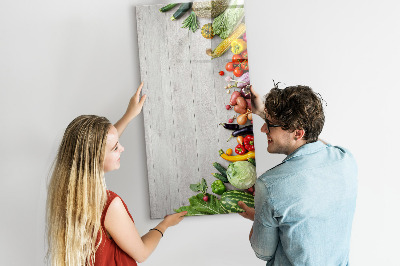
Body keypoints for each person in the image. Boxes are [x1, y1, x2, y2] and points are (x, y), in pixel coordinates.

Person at [45, 82, 187, 266]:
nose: (122, 148)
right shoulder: (109, 205)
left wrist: (129, 115)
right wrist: (164, 225)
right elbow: (142, 253)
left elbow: (97, 147)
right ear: (94, 158)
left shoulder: (66, 192)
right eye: (115, 148)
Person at [238, 85, 358, 265]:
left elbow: (263, 251)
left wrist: (260, 221)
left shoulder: (270, 185)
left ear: (298, 132)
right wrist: (264, 112)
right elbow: (314, 140)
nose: (263, 129)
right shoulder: (345, 159)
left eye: (270, 124)